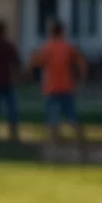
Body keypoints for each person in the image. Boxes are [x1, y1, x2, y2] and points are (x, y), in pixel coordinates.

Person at [29, 19, 88, 158]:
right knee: (73, 118)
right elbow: (81, 63)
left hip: (52, 88)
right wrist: (82, 77)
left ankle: (54, 149)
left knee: (53, 121)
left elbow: (35, 62)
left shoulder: (48, 47)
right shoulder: (68, 47)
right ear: (62, 32)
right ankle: (82, 146)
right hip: (67, 87)